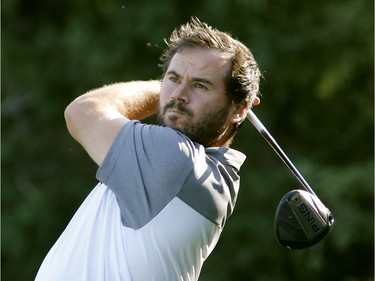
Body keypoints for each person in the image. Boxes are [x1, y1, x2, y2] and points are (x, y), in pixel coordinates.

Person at [35, 17, 261, 281]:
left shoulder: (177, 160)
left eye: (200, 85)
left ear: (239, 109)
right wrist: (181, 86)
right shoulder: (213, 173)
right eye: (173, 78)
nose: (179, 94)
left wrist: (163, 88)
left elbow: (82, 111)